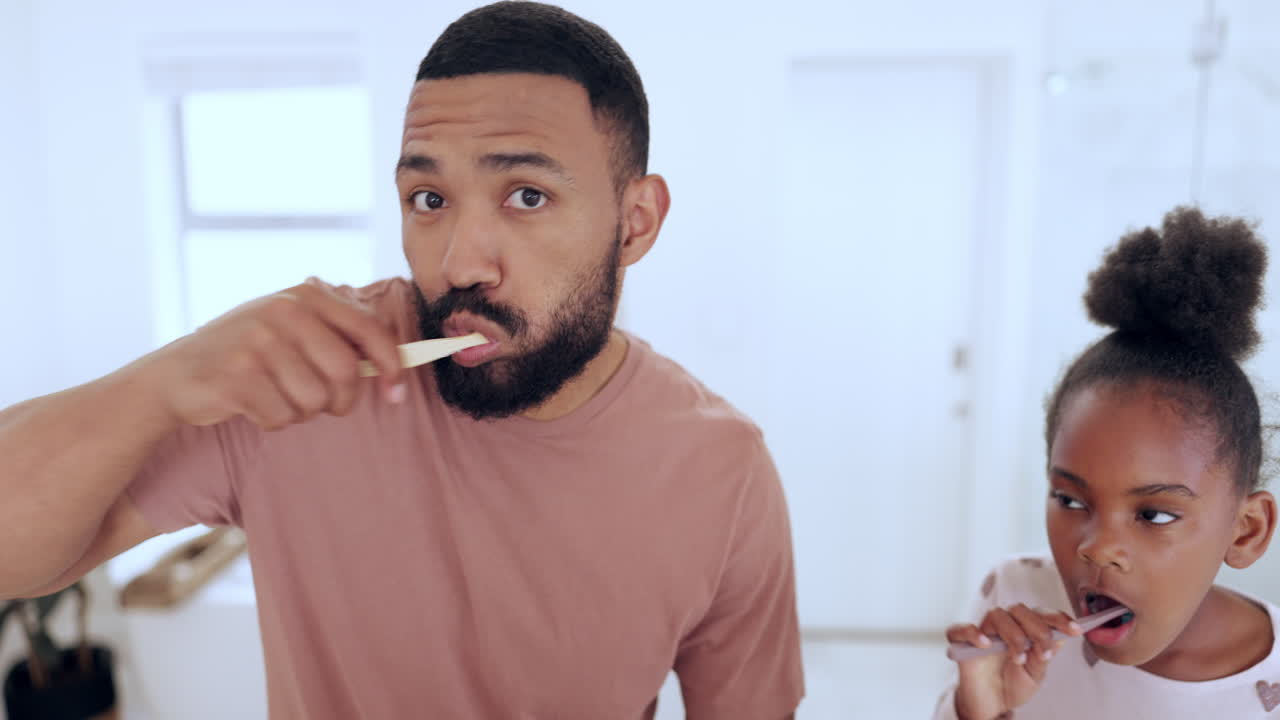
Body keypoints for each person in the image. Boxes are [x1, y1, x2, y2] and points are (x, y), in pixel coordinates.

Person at [0, 3, 804, 718]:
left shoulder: (721, 469)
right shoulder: (308, 375)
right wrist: (164, 380)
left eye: (526, 195)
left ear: (634, 224)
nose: (459, 262)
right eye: (429, 200)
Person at [935, 206, 1280, 719]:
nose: (1097, 549)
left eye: (1154, 514)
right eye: (1071, 499)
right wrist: (982, 710)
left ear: (1247, 530)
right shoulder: (1013, 596)